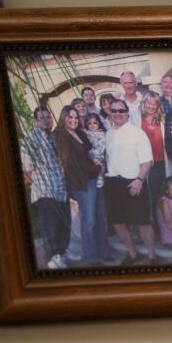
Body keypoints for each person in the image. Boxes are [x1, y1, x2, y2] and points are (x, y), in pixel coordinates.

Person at [104, 99, 157, 265]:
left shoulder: (137, 133)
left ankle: (152, 256)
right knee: (117, 222)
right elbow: (108, 157)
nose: (117, 114)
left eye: (121, 110)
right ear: (110, 113)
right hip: (113, 183)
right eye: (114, 111)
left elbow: (147, 161)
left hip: (134, 181)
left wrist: (140, 180)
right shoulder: (109, 133)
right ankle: (133, 254)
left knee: (143, 222)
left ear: (127, 112)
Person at [52, 106, 105, 265]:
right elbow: (71, 163)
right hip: (82, 182)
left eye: (76, 117)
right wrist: (97, 168)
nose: (74, 120)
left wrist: (97, 162)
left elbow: (88, 152)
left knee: (99, 217)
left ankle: (103, 251)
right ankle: (91, 256)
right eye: (70, 117)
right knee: (89, 220)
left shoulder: (79, 132)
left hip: (94, 178)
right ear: (63, 118)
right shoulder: (60, 135)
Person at [21, 106, 70, 269]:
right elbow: (27, 170)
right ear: (35, 121)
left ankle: (61, 255)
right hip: (45, 192)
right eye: (41, 118)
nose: (46, 120)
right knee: (50, 228)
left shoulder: (53, 136)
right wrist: (41, 187)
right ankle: (52, 260)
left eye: (48, 117)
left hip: (61, 189)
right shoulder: (30, 140)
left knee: (64, 225)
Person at [139, 91, 170, 205]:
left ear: (158, 106)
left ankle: (166, 217)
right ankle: (156, 219)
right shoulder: (137, 119)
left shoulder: (163, 119)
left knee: (166, 191)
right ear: (144, 103)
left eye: (154, 104)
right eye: (149, 103)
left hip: (163, 160)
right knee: (153, 192)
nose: (151, 106)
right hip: (148, 162)